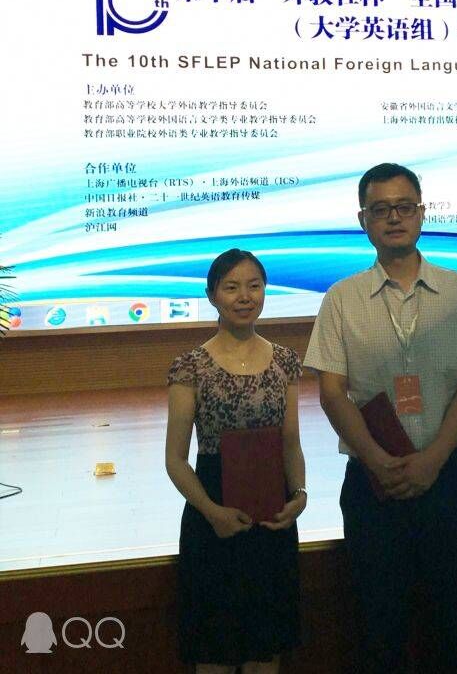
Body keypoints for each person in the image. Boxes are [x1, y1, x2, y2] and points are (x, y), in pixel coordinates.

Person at [304, 162, 457, 673]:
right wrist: (376, 460)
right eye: (380, 209)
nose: (394, 217)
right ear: (363, 220)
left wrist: (433, 458)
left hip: (450, 480)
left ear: (421, 213)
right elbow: (332, 391)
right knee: (380, 632)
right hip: (374, 485)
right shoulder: (341, 299)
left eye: (404, 207)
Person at [165, 248, 306, 674]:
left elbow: (291, 443)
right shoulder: (190, 367)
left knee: (266, 652)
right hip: (214, 516)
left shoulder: (285, 360)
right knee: (215, 652)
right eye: (231, 287)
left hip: (272, 517)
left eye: (254, 286)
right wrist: (213, 512)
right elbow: (175, 459)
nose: (245, 296)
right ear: (212, 295)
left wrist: (299, 495)